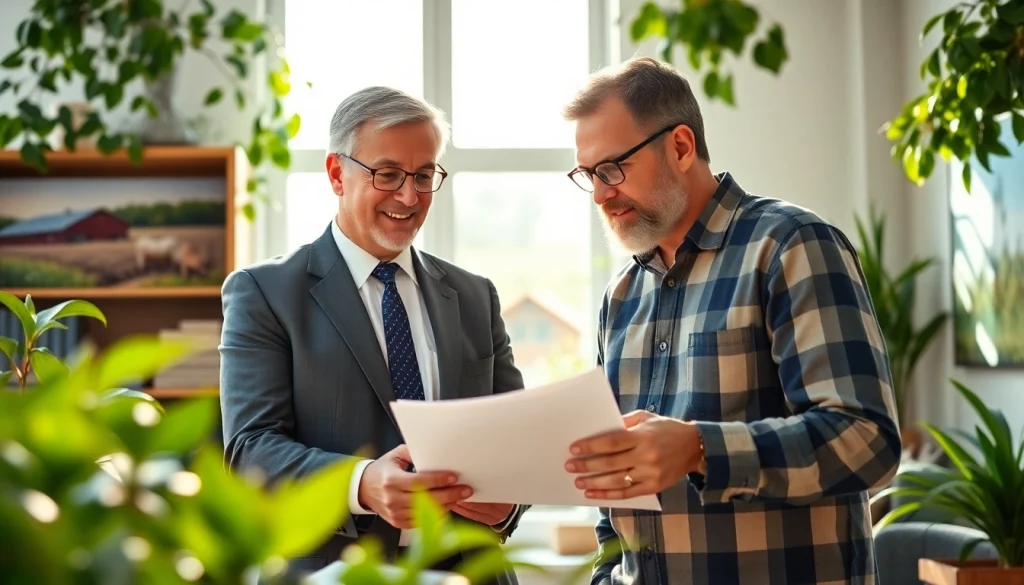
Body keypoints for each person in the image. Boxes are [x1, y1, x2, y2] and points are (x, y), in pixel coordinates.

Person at [560, 57, 902, 585]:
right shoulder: (621, 296)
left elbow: (866, 441)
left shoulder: (790, 245)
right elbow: (616, 504)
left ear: (680, 146)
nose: (601, 193)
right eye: (588, 175)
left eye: (612, 168)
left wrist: (699, 448)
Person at [219, 86, 526, 580]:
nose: (409, 196)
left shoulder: (474, 296)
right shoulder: (265, 293)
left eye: (425, 175)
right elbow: (250, 449)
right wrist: (360, 484)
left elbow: (516, 441)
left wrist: (509, 506)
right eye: (388, 174)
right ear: (337, 174)